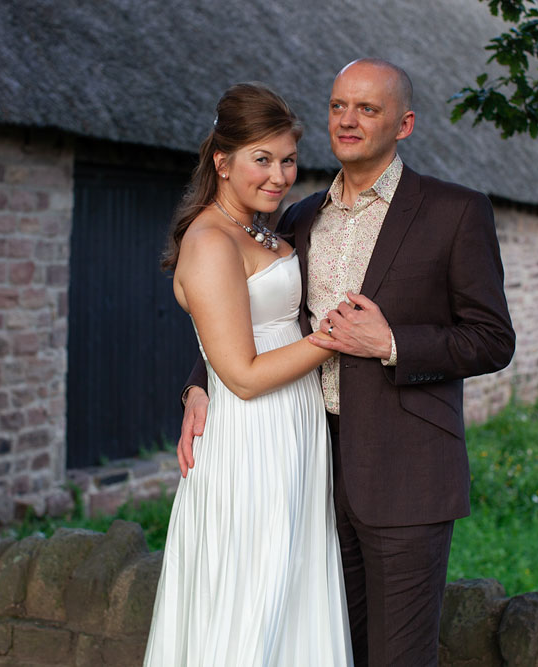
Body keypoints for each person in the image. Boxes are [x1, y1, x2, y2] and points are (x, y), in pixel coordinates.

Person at [178, 60, 516, 665]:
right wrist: (201, 385)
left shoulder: (455, 212)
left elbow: (493, 339)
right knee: (327, 647)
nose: (349, 120)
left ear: (404, 123)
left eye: (368, 108)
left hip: (406, 475)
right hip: (307, 469)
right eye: (338, 106)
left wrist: (392, 344)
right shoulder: (298, 218)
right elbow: (256, 316)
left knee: (398, 656)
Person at [143, 82, 353, 666]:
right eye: (262, 159)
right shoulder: (211, 240)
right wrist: (334, 339)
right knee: (253, 592)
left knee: (292, 590)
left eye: (287, 160)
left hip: (291, 430)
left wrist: (194, 381)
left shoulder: (259, 226)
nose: (280, 175)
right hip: (251, 437)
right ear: (222, 160)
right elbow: (241, 373)